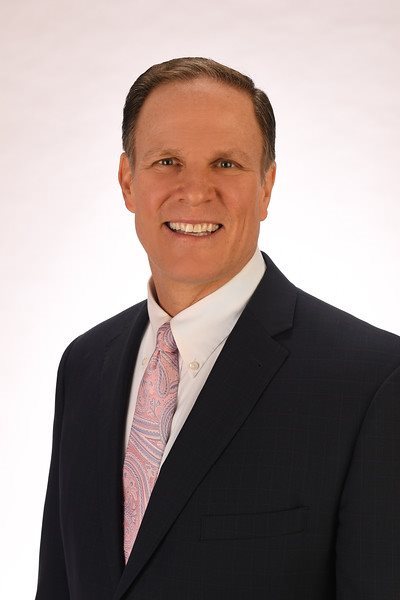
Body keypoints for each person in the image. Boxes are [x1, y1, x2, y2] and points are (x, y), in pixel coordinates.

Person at [35, 57, 400, 600]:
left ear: (266, 186)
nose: (195, 191)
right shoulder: (85, 365)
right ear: (128, 181)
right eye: (167, 161)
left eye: (226, 164)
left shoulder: (373, 381)